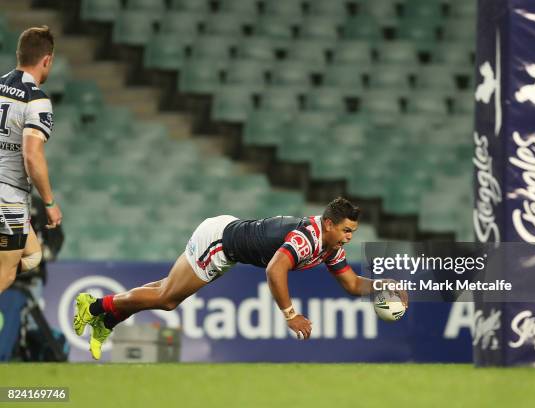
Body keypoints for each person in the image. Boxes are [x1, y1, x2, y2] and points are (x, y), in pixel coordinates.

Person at [74, 197, 408, 359]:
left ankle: (106, 318)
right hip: (219, 243)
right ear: (330, 224)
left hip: (228, 237)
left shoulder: (330, 246)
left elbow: (351, 285)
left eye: (353, 232)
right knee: (167, 299)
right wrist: (290, 315)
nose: (350, 237)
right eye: (347, 230)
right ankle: (95, 306)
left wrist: (383, 285)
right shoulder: (307, 237)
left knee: (164, 291)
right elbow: (275, 270)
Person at [0, 26, 62, 293]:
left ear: (19, 54)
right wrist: (49, 203)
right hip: (9, 197)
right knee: (6, 273)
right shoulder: (36, 100)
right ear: (47, 60)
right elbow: (32, 155)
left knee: (33, 255)